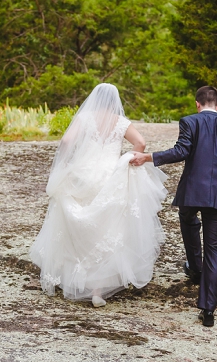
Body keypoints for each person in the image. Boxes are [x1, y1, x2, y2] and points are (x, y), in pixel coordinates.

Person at [30, 83, 168, 307]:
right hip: (109, 177)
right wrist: (132, 158)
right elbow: (140, 142)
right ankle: (97, 291)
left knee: (75, 226)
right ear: (115, 101)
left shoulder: (85, 117)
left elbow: (66, 141)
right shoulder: (120, 122)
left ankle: (71, 278)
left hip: (83, 175)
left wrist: (65, 163)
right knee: (105, 229)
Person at [130, 85, 217, 327]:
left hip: (192, 192)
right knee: (214, 248)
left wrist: (148, 157)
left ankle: (195, 268)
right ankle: (208, 311)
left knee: (188, 218)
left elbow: (181, 151)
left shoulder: (189, 122)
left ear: (197, 104)